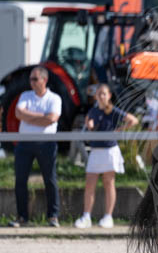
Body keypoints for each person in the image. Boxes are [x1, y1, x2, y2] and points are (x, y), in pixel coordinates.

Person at [74, 84, 138, 229]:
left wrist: (119, 130)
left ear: (109, 96)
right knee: (90, 184)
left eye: (104, 93)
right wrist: (89, 125)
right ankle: (86, 216)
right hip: (96, 150)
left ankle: (108, 217)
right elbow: (89, 124)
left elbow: (133, 120)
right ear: (96, 96)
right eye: (99, 94)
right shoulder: (93, 110)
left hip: (109, 150)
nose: (101, 96)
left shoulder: (114, 110)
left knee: (109, 183)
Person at [9, 66, 62, 228]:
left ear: (44, 80)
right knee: (20, 180)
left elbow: (52, 119)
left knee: (50, 179)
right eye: (30, 79)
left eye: (34, 79)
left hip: (46, 143)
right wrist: (42, 117)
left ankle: (53, 216)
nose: (31, 82)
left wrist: (28, 117)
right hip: (24, 143)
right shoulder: (25, 95)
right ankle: (22, 217)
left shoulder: (54, 98)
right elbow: (18, 114)